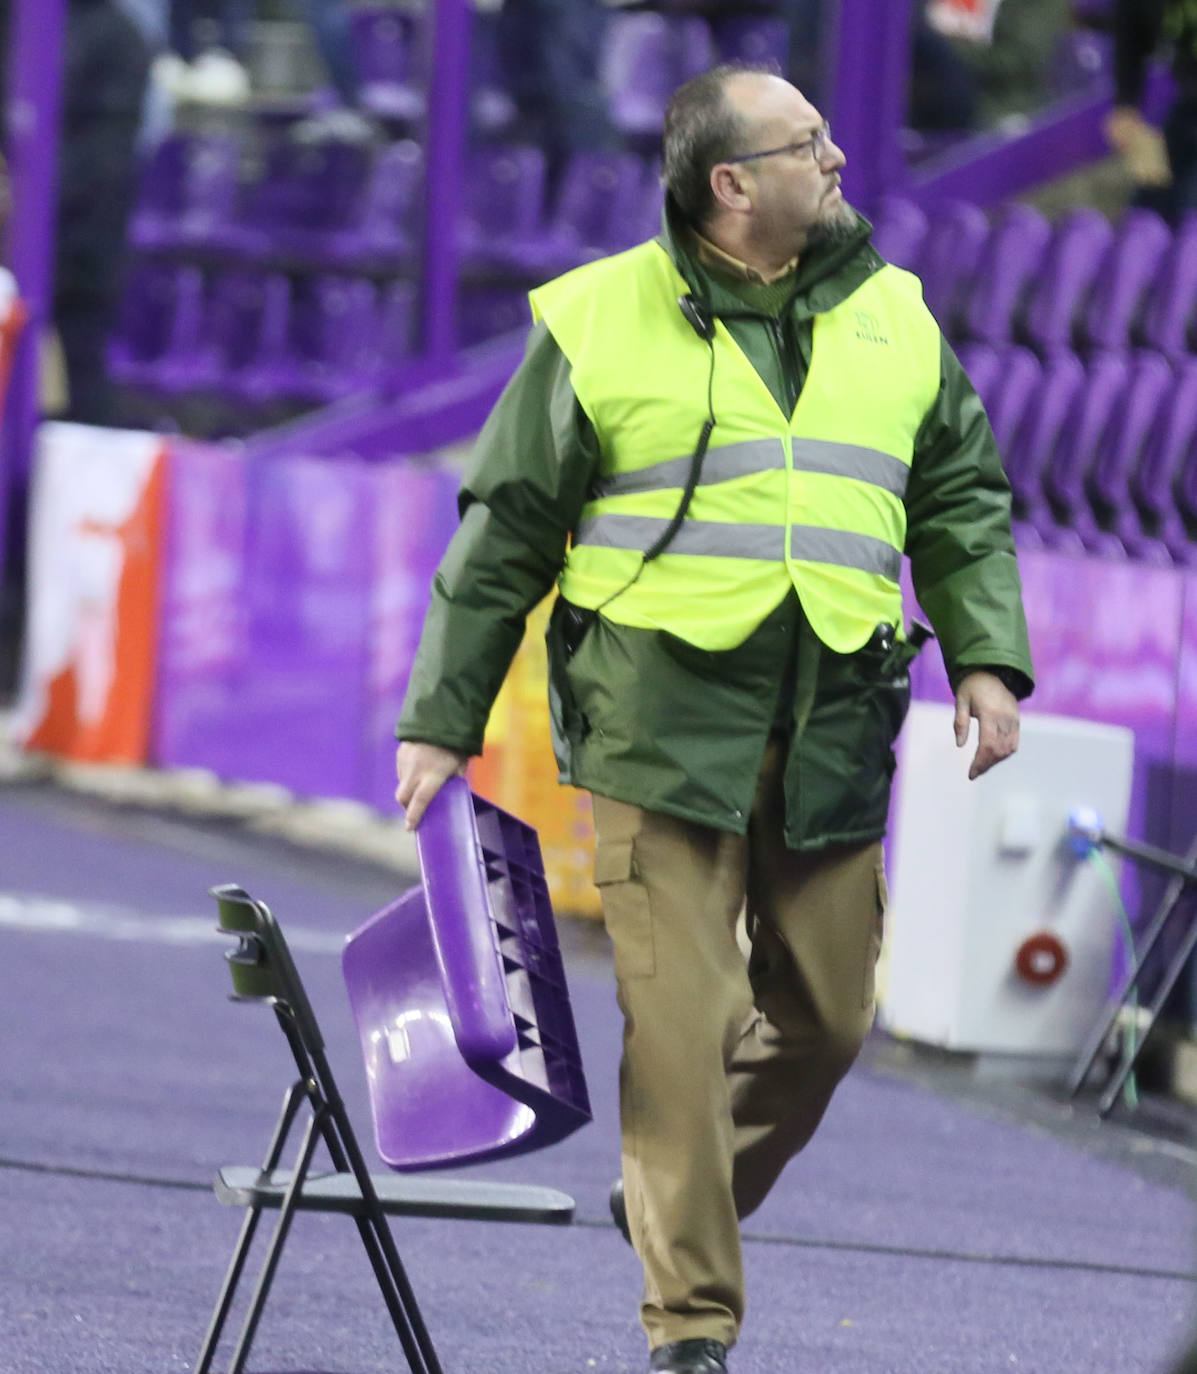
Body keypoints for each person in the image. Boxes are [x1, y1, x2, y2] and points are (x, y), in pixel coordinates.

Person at [394, 61, 1034, 1374]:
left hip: (837, 720)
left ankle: (672, 1198)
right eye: (808, 144)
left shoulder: (898, 318)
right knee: (682, 1025)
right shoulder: (594, 321)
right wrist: (441, 717)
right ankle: (690, 1324)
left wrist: (987, 659)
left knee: (828, 1020)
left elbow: (959, 493)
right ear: (729, 184)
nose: (838, 160)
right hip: (657, 725)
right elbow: (506, 529)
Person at [1106, 0, 1197, 220]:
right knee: (1148, 200)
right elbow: (1129, 36)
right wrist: (1125, 105)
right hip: (1189, 103)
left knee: (1188, 203)